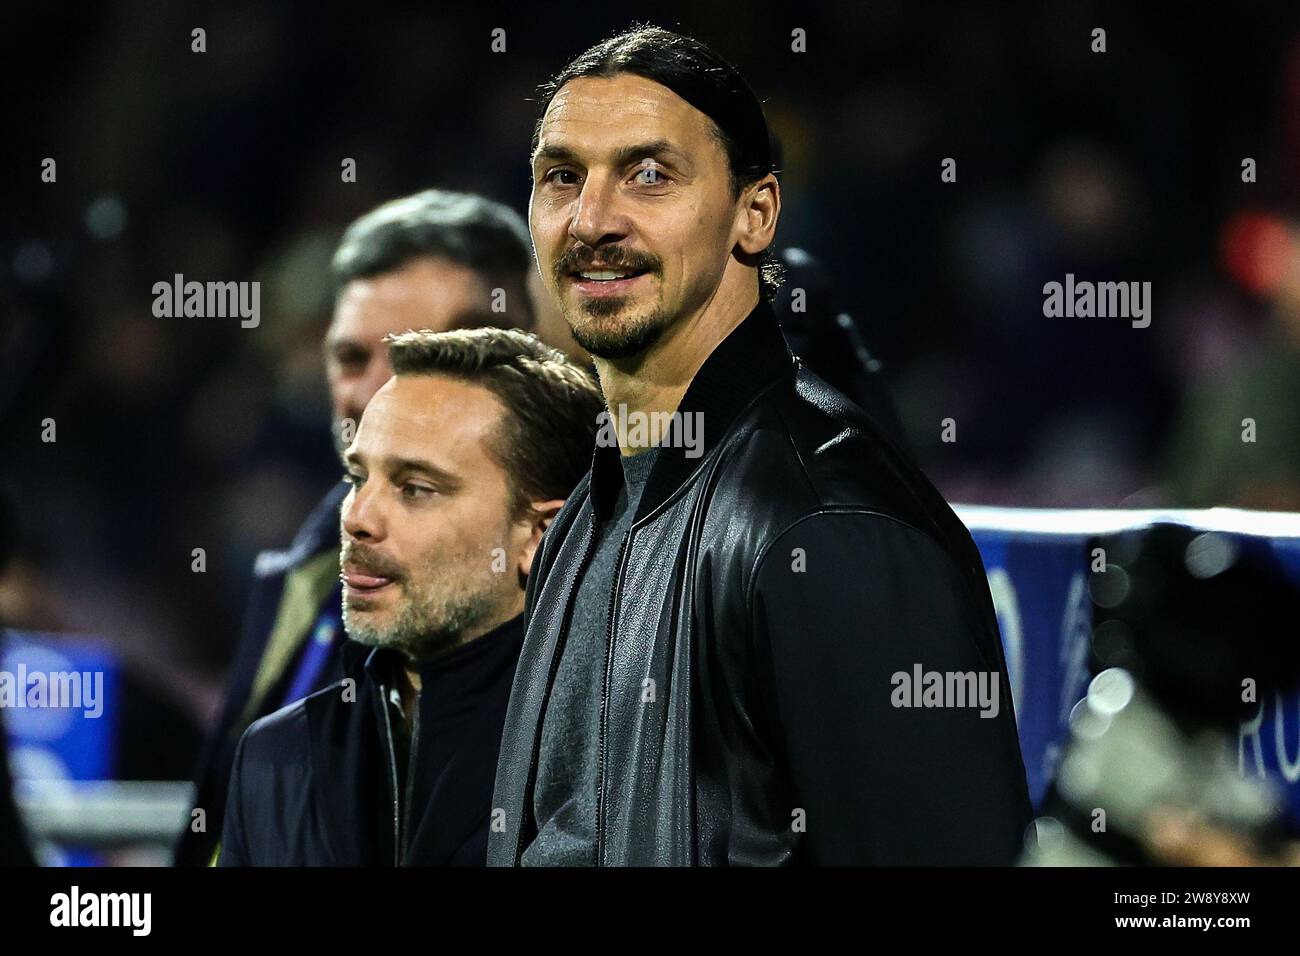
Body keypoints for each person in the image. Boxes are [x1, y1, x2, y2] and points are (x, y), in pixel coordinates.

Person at [489, 25, 1033, 866]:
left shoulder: (830, 521)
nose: (592, 220)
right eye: (562, 177)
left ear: (756, 213)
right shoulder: (589, 508)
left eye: (648, 174)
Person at [176, 189, 537, 866]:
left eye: (407, 358)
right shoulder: (305, 567)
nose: (368, 394)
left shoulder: (591, 606)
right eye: (349, 358)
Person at [219, 328, 603, 865]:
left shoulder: (617, 763)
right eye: (358, 477)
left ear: (541, 537)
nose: (356, 518)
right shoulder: (278, 756)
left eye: (415, 489)